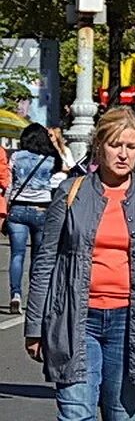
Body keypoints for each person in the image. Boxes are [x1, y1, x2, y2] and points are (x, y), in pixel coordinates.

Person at [24, 107, 135, 419]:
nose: (123, 154)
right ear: (98, 146)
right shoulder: (70, 192)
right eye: (115, 145)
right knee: (76, 412)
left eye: (131, 147)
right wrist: (35, 325)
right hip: (74, 319)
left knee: (121, 413)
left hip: (131, 322)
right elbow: (45, 260)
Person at [6, 123, 61, 314]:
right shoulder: (51, 159)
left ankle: (15, 295)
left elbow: (10, 186)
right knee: (39, 257)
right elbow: (58, 181)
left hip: (18, 209)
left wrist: (6, 209)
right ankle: (35, 298)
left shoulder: (15, 157)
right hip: (42, 210)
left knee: (17, 254)